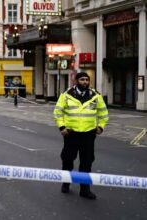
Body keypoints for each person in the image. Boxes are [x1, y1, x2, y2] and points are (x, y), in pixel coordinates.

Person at [53, 72, 109, 200]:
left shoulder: (95, 95)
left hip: (88, 134)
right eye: (82, 79)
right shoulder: (66, 95)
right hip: (71, 133)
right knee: (67, 159)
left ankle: (85, 189)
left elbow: (103, 113)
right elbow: (58, 112)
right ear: (76, 81)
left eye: (87, 80)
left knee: (87, 161)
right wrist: (62, 127)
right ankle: (66, 183)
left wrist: (101, 126)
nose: (85, 82)